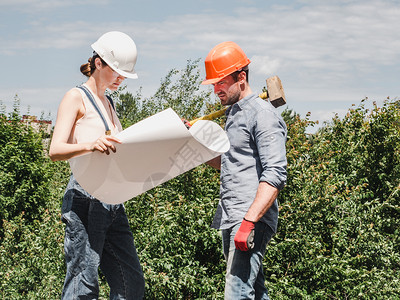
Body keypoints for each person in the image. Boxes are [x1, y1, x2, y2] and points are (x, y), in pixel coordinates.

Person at [49, 31, 145, 299]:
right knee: (84, 285)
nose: (121, 78)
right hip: (84, 198)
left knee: (131, 285)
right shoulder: (75, 97)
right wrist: (90, 145)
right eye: (117, 71)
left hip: (112, 201)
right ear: (99, 62)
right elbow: (55, 150)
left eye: (125, 74)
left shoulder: (110, 102)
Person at [202, 41, 287, 299]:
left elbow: (275, 174)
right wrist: (192, 143)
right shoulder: (233, 114)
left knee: (237, 293)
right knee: (255, 291)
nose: (216, 89)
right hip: (230, 214)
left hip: (249, 216)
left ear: (241, 78)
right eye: (213, 84)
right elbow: (230, 165)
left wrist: (249, 221)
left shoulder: (262, 114)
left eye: (221, 82)